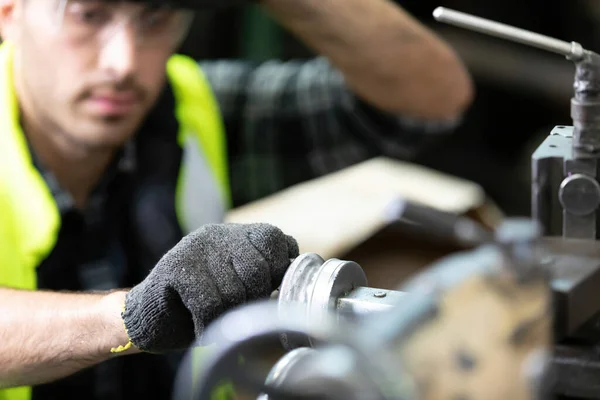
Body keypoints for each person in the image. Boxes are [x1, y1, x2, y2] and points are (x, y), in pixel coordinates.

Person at [0, 0, 473, 399]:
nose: (123, 63)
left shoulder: (187, 106)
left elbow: (429, 101)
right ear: (9, 13)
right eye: (89, 14)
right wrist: (134, 315)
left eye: (155, 18)